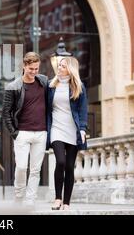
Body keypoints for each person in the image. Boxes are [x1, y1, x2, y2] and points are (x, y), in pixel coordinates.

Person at [2, 52, 48, 207]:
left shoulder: (43, 81)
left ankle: (30, 200)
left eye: (36, 68)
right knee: (21, 167)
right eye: (31, 69)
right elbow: (6, 113)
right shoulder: (13, 86)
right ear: (24, 66)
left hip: (41, 133)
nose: (34, 72)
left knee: (35, 170)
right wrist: (14, 133)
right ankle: (19, 196)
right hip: (22, 133)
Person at [46, 56, 88, 211]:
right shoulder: (51, 86)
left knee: (70, 166)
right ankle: (57, 198)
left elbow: (83, 110)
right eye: (59, 65)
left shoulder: (79, 87)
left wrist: (82, 129)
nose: (59, 68)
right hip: (56, 128)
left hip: (73, 130)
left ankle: (66, 202)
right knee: (61, 162)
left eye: (63, 66)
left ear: (70, 69)